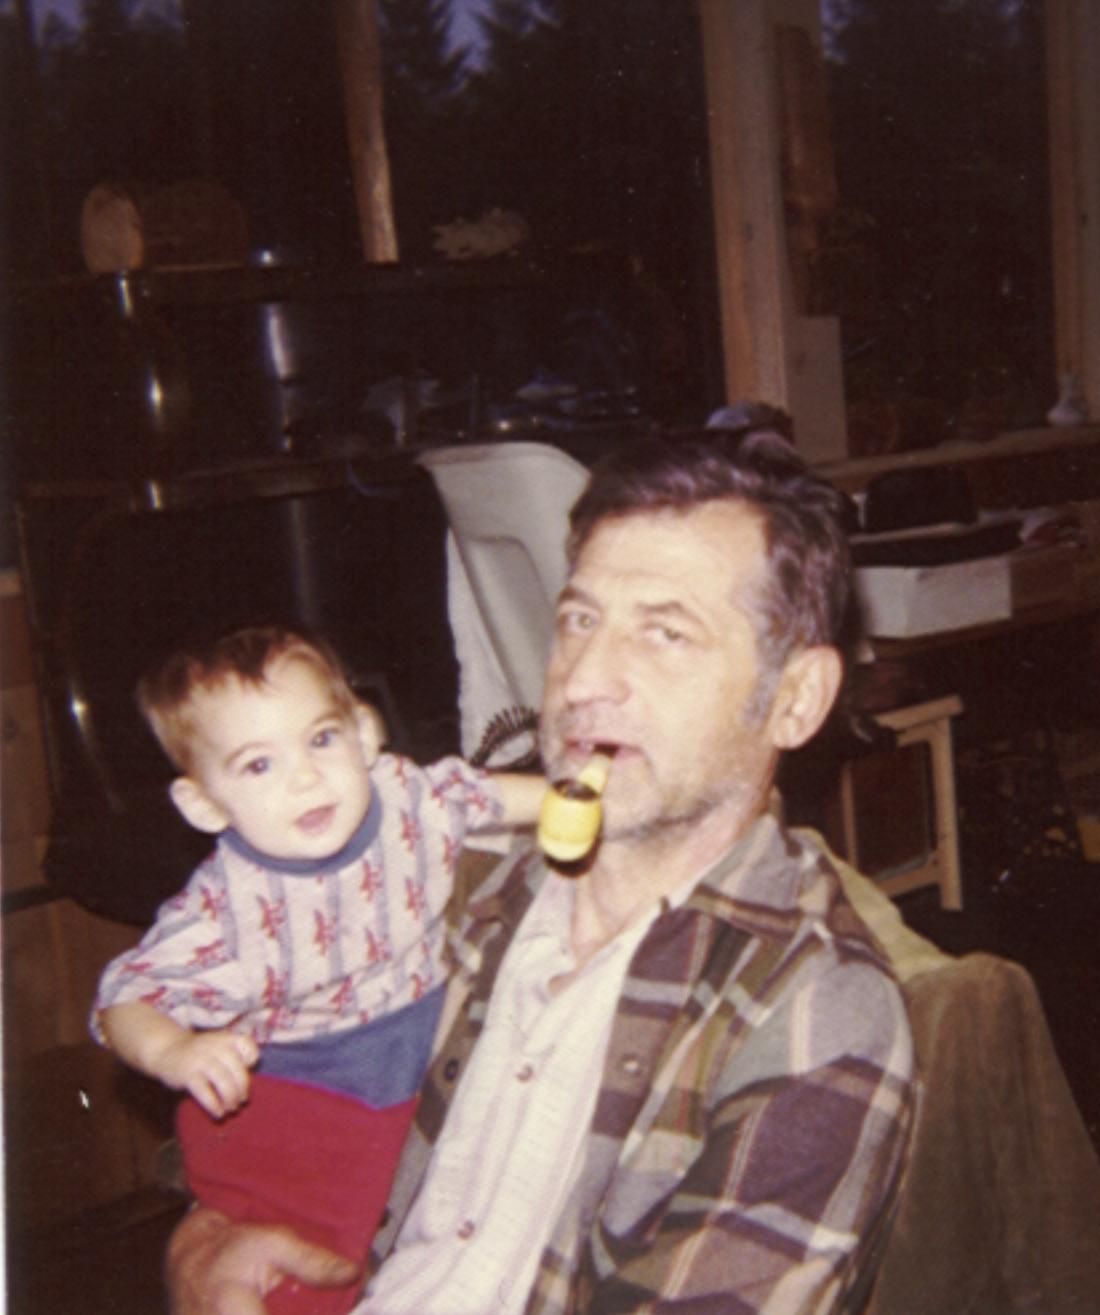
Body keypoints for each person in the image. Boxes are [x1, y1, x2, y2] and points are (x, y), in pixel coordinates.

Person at [167, 432, 916, 1315]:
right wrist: (202, 1241)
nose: (583, 678)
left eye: (665, 632)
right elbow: (250, 1123)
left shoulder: (819, 1010)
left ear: (794, 698)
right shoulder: (441, 878)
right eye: (579, 620)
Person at [93, 624, 546, 1315]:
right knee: (320, 1265)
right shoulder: (223, 912)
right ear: (203, 804)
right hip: (301, 1099)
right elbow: (124, 998)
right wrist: (173, 1050)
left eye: (321, 739)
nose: (304, 777)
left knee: (431, 1228)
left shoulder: (406, 796)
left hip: (415, 1058)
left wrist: (576, 802)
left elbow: (486, 794)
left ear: (363, 734)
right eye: (258, 765)